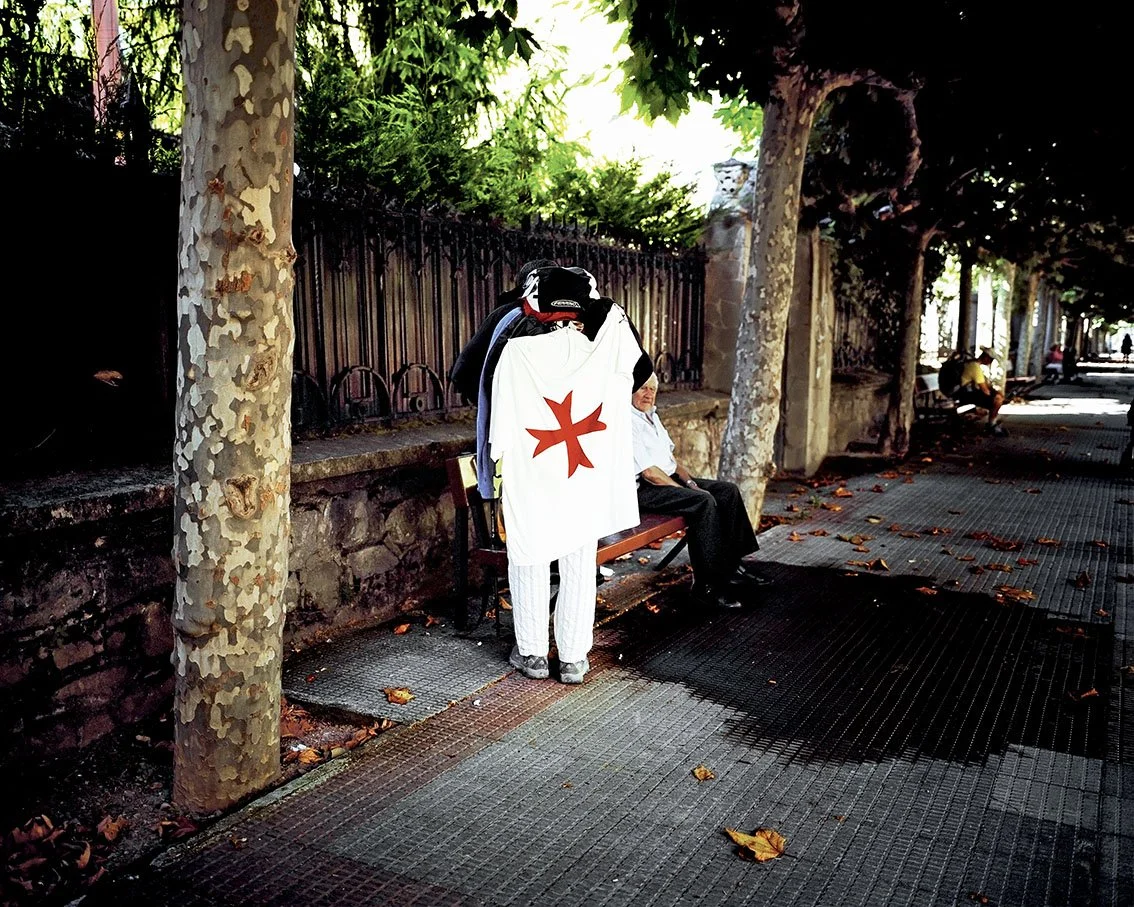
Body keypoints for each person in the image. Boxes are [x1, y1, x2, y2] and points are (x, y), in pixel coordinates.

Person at [489, 266, 647, 685]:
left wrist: (499, 459)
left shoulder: (515, 351)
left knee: (529, 554)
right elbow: (640, 372)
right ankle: (575, 659)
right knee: (578, 561)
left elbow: (497, 422)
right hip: (585, 475)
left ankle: (533, 654)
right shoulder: (605, 348)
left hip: (534, 473)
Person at [630, 373, 767, 610]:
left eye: (652, 389)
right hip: (645, 488)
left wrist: (691, 483)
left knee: (727, 491)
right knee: (702, 503)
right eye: (642, 388)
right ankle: (707, 587)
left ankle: (732, 565)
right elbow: (650, 473)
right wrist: (688, 493)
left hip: (668, 478)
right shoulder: (626, 420)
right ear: (630, 391)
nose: (648, 394)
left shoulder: (652, 416)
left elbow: (672, 462)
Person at [957, 347, 1007, 435]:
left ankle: (992, 423)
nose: (990, 362)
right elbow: (984, 389)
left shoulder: (974, 365)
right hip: (964, 395)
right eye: (991, 360)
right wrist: (995, 397)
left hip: (965, 392)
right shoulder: (975, 367)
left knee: (998, 396)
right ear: (986, 357)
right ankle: (992, 425)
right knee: (998, 400)